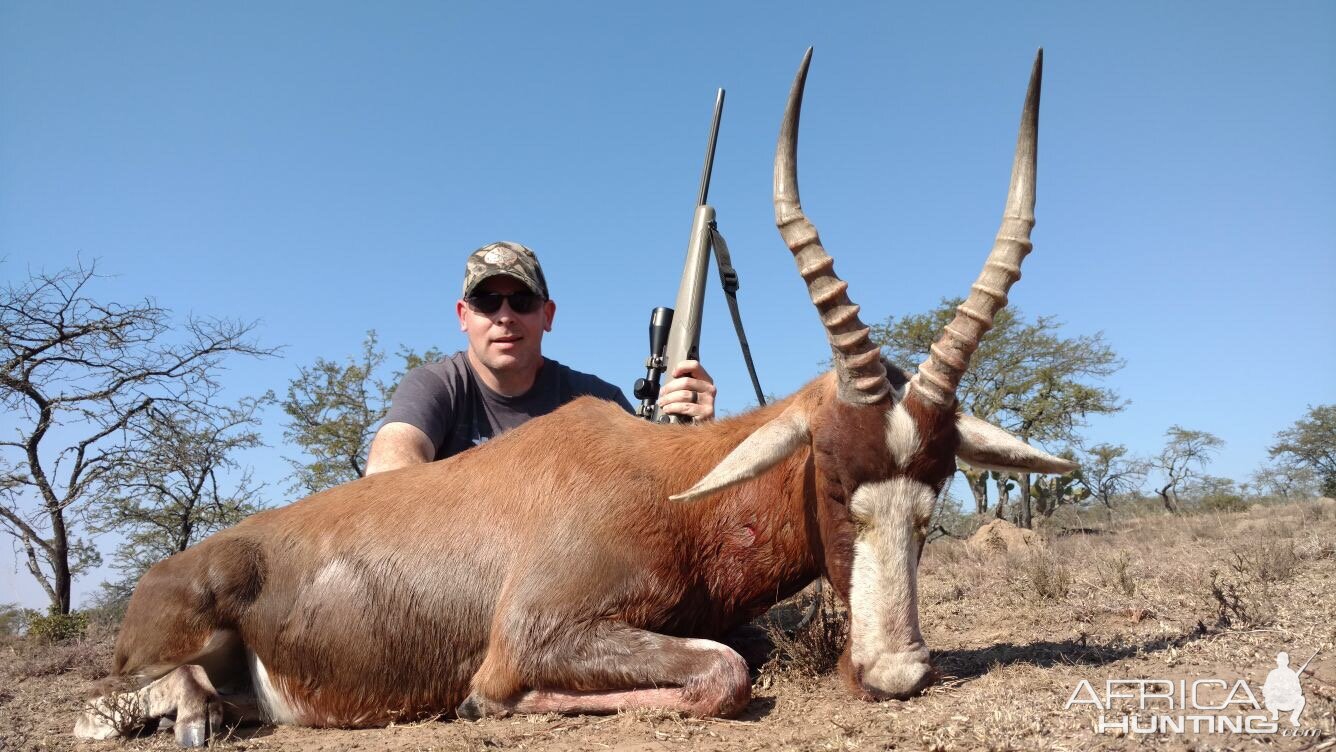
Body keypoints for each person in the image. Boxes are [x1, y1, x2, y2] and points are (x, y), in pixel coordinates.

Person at [365, 241, 716, 474]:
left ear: (547, 315)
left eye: (522, 301)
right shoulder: (435, 385)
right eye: (487, 302)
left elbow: (653, 487)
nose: (505, 316)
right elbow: (389, 466)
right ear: (463, 316)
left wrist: (696, 441)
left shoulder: (597, 400)